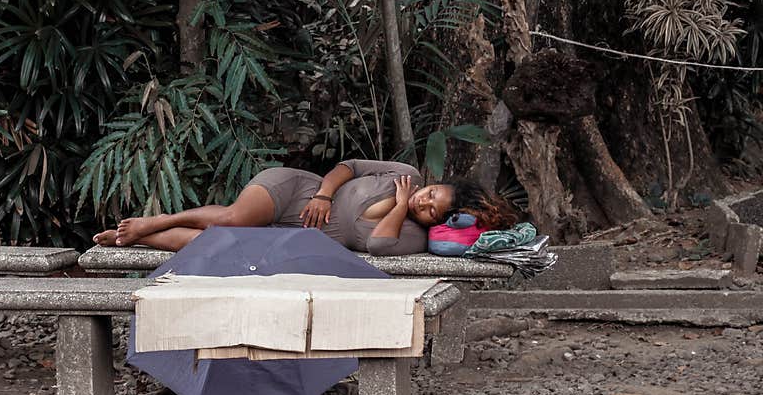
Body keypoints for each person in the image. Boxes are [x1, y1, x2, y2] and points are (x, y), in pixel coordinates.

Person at [92, 159, 518, 256]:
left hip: (290, 236)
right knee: (234, 218)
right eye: (431, 192)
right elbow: (347, 166)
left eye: (430, 208)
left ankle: (136, 240)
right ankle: (157, 220)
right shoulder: (403, 170)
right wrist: (323, 195)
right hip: (297, 191)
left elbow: (378, 248)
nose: (424, 199)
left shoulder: (409, 235)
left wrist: (402, 205)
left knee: (215, 241)